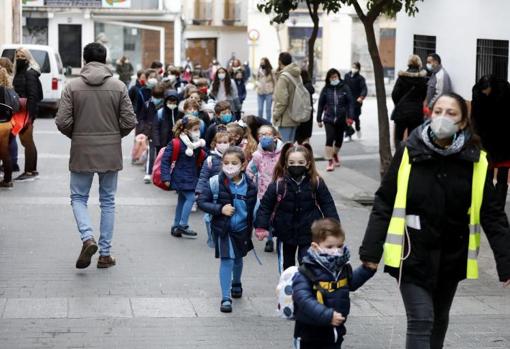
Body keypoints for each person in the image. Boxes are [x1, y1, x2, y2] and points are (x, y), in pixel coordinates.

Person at [359, 93, 510, 349]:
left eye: (451, 113)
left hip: (452, 256)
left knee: (438, 320)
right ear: (430, 113)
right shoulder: (409, 151)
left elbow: (492, 213)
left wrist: (506, 262)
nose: (442, 118)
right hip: (412, 254)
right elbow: (384, 200)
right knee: (421, 320)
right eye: (438, 111)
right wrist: (371, 251)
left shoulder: (477, 160)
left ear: (463, 122)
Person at [55, 42, 136, 269]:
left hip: (82, 149)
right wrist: (114, 136)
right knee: (108, 201)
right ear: (105, 59)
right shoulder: (119, 86)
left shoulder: (72, 86)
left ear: (84, 60)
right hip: (110, 151)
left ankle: (87, 237)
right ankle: (105, 254)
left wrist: (77, 135)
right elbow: (130, 121)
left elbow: (62, 121)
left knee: (78, 198)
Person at [292, 218, 376, 349]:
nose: (336, 251)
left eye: (339, 246)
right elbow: (303, 299)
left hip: (335, 331)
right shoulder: (306, 270)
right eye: (330, 247)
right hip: (309, 335)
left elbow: (350, 283)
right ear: (315, 247)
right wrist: (327, 315)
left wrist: (367, 270)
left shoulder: (341, 267)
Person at [254, 144, 339, 272]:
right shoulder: (278, 185)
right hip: (285, 232)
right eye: (292, 162)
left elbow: (327, 204)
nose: (296, 165)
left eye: (300, 162)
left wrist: (333, 226)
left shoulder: (316, 183)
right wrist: (261, 226)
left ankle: (304, 290)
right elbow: (266, 206)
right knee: (287, 267)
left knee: (307, 264)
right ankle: (288, 290)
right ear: (286, 164)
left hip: (310, 232)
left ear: (308, 164)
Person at [197, 146, 257, 313]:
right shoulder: (215, 182)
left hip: (243, 229)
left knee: (238, 258)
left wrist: (259, 226)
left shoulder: (250, 186)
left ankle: (236, 282)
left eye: (234, 163)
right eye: (226, 163)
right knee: (227, 259)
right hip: (224, 229)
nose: (230, 166)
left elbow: (255, 208)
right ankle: (225, 297)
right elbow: (202, 201)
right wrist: (220, 209)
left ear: (243, 165)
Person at [161, 116, 206, 238]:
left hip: (191, 176)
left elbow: (203, 157)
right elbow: (165, 161)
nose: (198, 132)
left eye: (199, 129)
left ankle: (176, 226)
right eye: (195, 129)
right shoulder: (176, 143)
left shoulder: (196, 144)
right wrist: (166, 178)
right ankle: (183, 224)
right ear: (186, 130)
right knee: (191, 198)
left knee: (182, 201)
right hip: (179, 177)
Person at [472, 75, 510, 210]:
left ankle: (499, 203)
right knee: (487, 167)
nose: (485, 93)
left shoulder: (505, 91)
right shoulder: (477, 93)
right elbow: (475, 116)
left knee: (503, 170)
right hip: (486, 137)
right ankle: (488, 198)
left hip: (504, 137)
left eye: (486, 90)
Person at [246, 125, 284, 253]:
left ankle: (279, 237)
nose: (264, 137)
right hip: (264, 193)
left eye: (267, 134)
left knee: (279, 216)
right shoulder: (258, 155)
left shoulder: (284, 153)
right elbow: (250, 170)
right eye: (260, 135)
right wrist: (252, 183)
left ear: (275, 137)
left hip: (281, 191)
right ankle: (269, 239)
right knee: (263, 214)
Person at [196, 127, 233, 247]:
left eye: (225, 142)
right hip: (214, 192)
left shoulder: (234, 157)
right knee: (209, 217)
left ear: (230, 143)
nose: (223, 145)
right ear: (215, 144)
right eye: (220, 142)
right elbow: (203, 176)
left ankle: (228, 236)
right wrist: (199, 191)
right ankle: (212, 237)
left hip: (229, 191)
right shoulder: (210, 159)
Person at [11, 47, 43, 181]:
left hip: (26, 113)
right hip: (19, 111)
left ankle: (30, 171)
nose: (19, 59)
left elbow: (33, 96)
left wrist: (30, 116)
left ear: (28, 58)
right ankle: (28, 170)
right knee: (25, 141)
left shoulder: (29, 74)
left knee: (27, 141)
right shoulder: (19, 72)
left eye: (22, 56)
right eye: (17, 56)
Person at [317, 68, 355, 172]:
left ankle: (334, 154)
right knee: (330, 138)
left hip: (341, 119)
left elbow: (351, 103)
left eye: (335, 77)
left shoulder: (345, 88)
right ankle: (330, 161)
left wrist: (350, 117)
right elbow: (320, 105)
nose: (334, 79)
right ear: (328, 79)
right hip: (328, 118)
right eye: (332, 77)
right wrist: (318, 119)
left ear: (338, 77)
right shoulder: (325, 89)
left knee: (339, 140)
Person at [391, 54, 428, 147]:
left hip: (401, 112)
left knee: (398, 137)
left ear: (408, 64)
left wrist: (399, 104)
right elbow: (424, 95)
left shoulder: (401, 78)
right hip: (416, 112)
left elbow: (394, 94)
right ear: (419, 64)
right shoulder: (422, 79)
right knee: (413, 137)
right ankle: (410, 157)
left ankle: (398, 156)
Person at [273, 52, 303, 142]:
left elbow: (282, 100)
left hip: (285, 117)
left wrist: (276, 114)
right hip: (295, 114)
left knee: (284, 147)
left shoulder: (284, 77)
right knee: (290, 147)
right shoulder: (297, 74)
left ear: (279, 61)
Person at [140, 83, 165, 184]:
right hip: (150, 131)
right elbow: (143, 118)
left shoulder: (165, 106)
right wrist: (145, 132)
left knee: (161, 153)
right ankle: (148, 173)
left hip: (161, 132)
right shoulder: (148, 104)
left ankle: (160, 173)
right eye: (155, 96)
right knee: (151, 152)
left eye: (158, 97)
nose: (156, 99)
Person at [0, 67, 19, 188]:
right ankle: (8, 180)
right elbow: (16, 107)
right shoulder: (11, 90)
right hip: (7, 123)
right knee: (5, 152)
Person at [152, 90, 181, 156]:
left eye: (174, 102)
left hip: (176, 144)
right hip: (162, 144)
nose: (172, 104)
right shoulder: (160, 113)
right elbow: (155, 128)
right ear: (165, 101)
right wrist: (157, 144)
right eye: (170, 102)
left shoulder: (179, 113)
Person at [344, 62, 367, 139]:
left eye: (355, 67)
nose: (353, 68)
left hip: (356, 101)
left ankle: (357, 128)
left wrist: (361, 97)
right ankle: (348, 134)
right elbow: (343, 86)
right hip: (347, 100)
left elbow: (364, 88)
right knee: (348, 117)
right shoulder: (346, 76)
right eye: (353, 66)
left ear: (358, 69)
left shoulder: (360, 79)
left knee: (356, 117)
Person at [295, 69, 315, 145]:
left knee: (300, 137)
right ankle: (307, 153)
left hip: (300, 114)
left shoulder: (301, 87)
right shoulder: (309, 86)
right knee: (306, 137)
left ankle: (304, 152)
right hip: (308, 115)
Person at [256, 57, 275, 122]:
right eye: (261, 63)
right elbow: (256, 79)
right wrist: (257, 84)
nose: (262, 64)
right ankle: (259, 123)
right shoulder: (259, 70)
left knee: (268, 110)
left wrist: (274, 94)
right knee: (260, 109)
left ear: (266, 63)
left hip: (269, 93)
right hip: (260, 93)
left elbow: (275, 82)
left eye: (263, 63)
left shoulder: (271, 71)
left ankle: (268, 123)